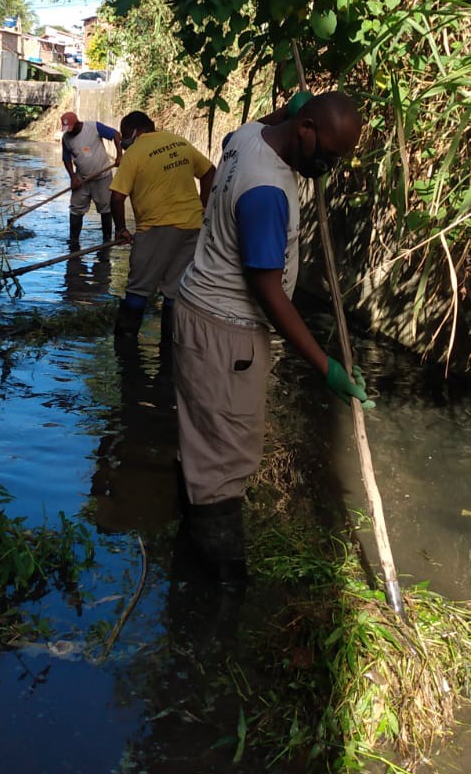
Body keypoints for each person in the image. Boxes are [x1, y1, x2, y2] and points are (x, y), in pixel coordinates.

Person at [173, 91, 374, 585]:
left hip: (196, 311)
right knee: (225, 462)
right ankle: (223, 593)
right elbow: (267, 290)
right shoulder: (266, 193)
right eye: (326, 155)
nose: (327, 168)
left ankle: (185, 566)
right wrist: (324, 365)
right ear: (305, 129)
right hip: (229, 335)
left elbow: (261, 123)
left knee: (201, 444)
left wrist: (290, 106)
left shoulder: (246, 139)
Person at [110, 111, 215, 342]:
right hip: (193, 228)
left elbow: (117, 198)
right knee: (175, 291)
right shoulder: (178, 142)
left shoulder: (135, 153)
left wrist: (120, 230)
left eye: (125, 134)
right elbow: (209, 172)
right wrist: (204, 208)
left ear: (136, 131)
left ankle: (126, 353)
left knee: (137, 289)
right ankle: (170, 351)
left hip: (156, 229)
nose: (124, 141)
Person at [61, 111, 122, 250]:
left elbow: (115, 135)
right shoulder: (66, 138)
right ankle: (74, 241)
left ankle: (107, 241)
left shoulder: (93, 127)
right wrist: (72, 177)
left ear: (77, 123)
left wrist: (119, 156)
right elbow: (66, 159)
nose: (69, 132)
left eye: (71, 128)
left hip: (102, 177)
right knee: (76, 209)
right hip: (81, 179)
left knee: (106, 209)